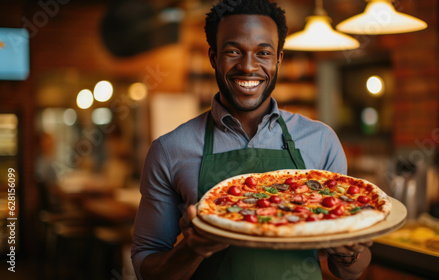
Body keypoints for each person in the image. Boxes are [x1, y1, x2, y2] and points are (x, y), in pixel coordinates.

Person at [131, 1, 372, 279]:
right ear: (213, 57)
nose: (248, 67)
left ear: (279, 58)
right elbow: (146, 267)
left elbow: (349, 272)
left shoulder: (321, 140)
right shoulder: (169, 150)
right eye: (233, 51)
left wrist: (349, 252)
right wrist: (192, 249)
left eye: (263, 53)